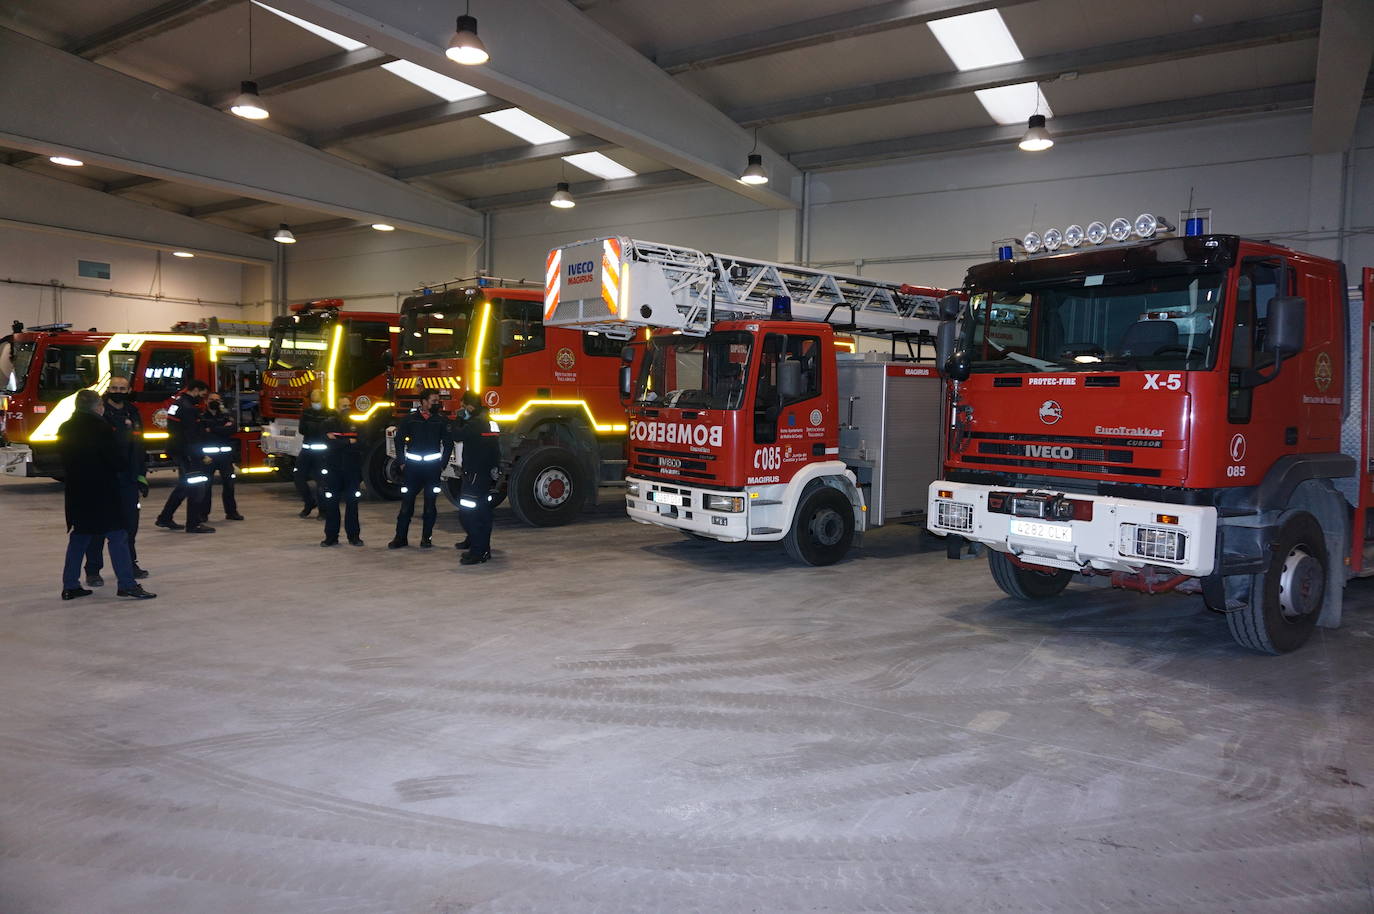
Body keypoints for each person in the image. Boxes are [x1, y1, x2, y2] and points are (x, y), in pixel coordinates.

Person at [57, 389, 155, 600]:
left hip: (77, 494)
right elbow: (116, 461)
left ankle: (70, 585)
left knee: (79, 540)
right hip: (103, 493)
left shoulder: (65, 428)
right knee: (118, 537)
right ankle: (127, 584)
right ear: (97, 407)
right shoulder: (102, 428)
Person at [83, 373, 150, 585]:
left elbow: (139, 447)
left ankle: (130, 563)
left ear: (129, 390)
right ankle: (93, 570)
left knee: (130, 526)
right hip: (106, 480)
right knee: (99, 527)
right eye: (115, 388)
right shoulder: (99, 412)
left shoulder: (133, 412)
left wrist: (141, 475)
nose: (118, 392)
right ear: (108, 389)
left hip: (129, 479)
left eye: (122, 389)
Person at [389, 389, 451, 549]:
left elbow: (448, 443)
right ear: (423, 402)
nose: (436, 404)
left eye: (438, 401)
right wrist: (402, 462)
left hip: (432, 470)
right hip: (413, 470)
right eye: (433, 401)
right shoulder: (410, 420)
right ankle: (400, 538)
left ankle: (426, 538)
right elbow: (399, 440)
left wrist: (442, 464)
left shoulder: (440, 421)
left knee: (430, 506)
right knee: (406, 505)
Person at [154, 379, 215, 534]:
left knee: (184, 486)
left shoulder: (177, 403)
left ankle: (165, 518)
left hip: (178, 450)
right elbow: (191, 435)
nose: (202, 397)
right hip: (188, 452)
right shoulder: (188, 408)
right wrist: (201, 455)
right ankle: (193, 524)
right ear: (195, 390)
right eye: (202, 394)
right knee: (196, 487)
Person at [451, 390, 501, 565]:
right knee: (483, 512)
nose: (462, 409)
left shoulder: (474, 424)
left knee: (468, 514)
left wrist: (456, 420)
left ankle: (478, 552)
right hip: (486, 474)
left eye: (463, 406)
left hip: (473, 475)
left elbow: (456, 436)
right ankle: (482, 549)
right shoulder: (491, 422)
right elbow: (496, 449)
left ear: (470, 406)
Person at [319, 396, 364, 547]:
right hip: (334, 469)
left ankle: (354, 536)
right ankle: (331, 537)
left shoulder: (356, 423)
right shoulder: (328, 423)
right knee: (332, 503)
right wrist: (348, 442)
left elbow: (361, 443)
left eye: (348, 405)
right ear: (337, 407)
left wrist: (338, 440)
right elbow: (328, 444)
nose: (347, 408)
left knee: (353, 504)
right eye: (343, 406)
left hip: (351, 470)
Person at [201, 392, 244, 521]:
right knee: (205, 487)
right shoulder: (201, 416)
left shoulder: (227, 416)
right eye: (211, 399)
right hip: (208, 458)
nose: (214, 401)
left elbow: (233, 429)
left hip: (225, 457)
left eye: (217, 399)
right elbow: (201, 432)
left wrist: (212, 429)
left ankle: (231, 512)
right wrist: (221, 429)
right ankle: (203, 514)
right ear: (206, 401)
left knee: (229, 485)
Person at [295, 389, 331, 518]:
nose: (315, 403)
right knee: (298, 478)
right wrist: (317, 428)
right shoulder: (306, 413)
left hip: (321, 454)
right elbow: (302, 429)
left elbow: (327, 431)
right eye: (313, 401)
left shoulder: (329, 414)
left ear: (323, 400)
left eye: (317, 400)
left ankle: (323, 510)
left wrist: (314, 428)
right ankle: (309, 503)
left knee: (322, 483)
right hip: (306, 451)